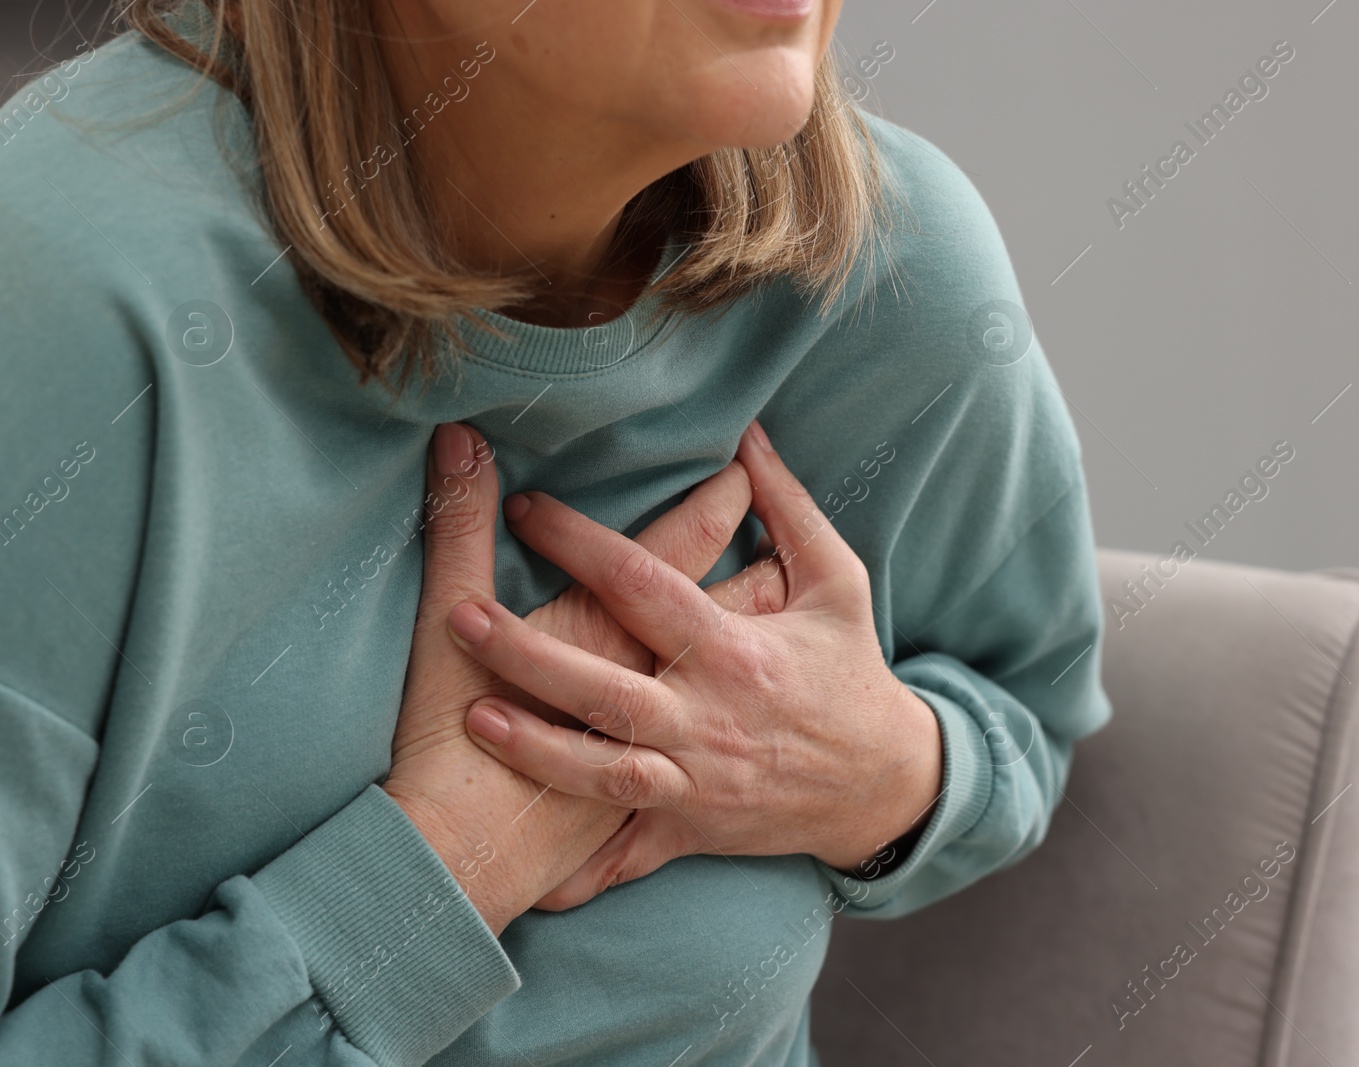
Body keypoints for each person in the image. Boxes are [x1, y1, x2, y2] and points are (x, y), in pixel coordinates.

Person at [0, 0, 1111, 1063]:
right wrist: (436, 874)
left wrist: (879, 775)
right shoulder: (60, 302)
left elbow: (1026, 702)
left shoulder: (891, 277)